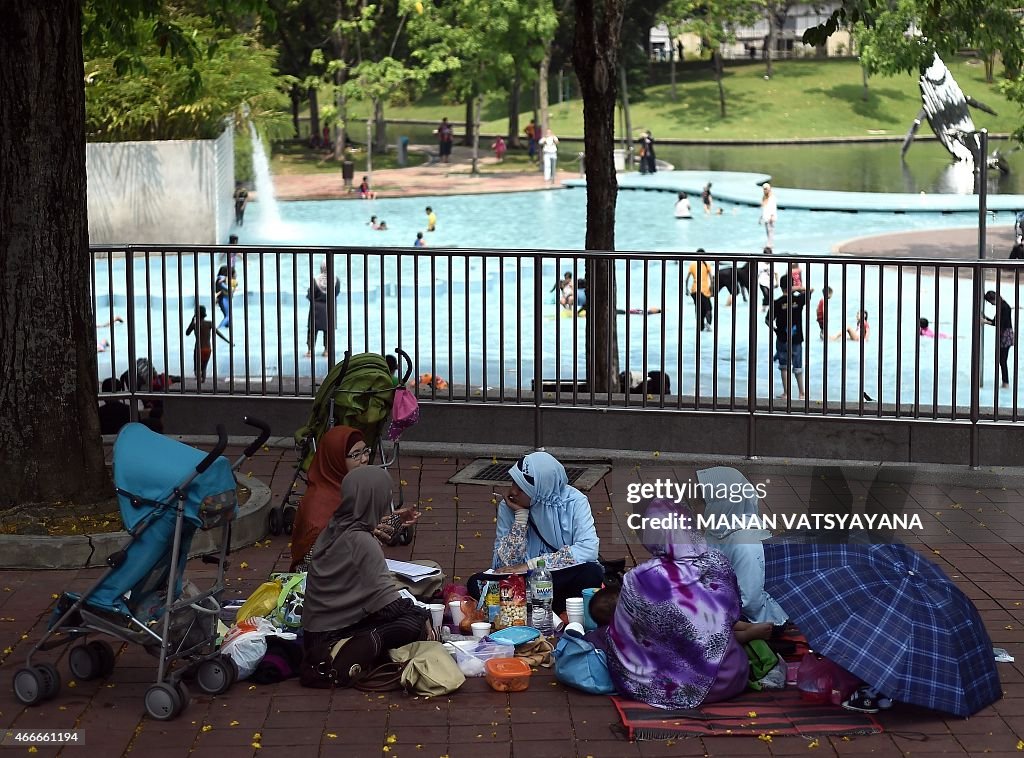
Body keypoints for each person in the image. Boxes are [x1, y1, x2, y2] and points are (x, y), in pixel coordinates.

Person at [606, 499, 764, 709]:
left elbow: (626, 639)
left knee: (610, 637)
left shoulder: (640, 579)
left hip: (677, 689)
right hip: (732, 675)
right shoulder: (719, 561)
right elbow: (733, 614)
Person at [300, 467, 432, 689]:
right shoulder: (361, 541)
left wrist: (394, 523)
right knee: (411, 622)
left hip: (314, 633)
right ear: (375, 500)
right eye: (386, 497)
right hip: (332, 638)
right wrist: (422, 615)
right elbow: (390, 608)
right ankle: (356, 653)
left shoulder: (335, 526)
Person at [469, 452, 603, 614]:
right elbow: (502, 565)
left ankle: (526, 609)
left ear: (539, 489)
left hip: (558, 578)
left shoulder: (575, 502)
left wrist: (531, 565)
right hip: (524, 582)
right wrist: (520, 516)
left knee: (591, 573)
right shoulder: (509, 506)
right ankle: (539, 610)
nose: (513, 492)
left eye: (521, 488)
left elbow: (588, 549)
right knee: (476, 582)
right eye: (513, 483)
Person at [696, 466, 789, 626]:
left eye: (702, 502)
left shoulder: (745, 543)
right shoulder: (718, 529)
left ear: (722, 503)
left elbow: (750, 601)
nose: (696, 508)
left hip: (756, 619)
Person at [289, 426, 368, 570]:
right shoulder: (317, 504)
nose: (364, 459)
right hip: (322, 583)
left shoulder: (351, 489)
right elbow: (316, 558)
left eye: (365, 451)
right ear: (335, 459)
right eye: (356, 454)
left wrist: (396, 521)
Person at [771, 274, 810, 400]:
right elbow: (809, 290)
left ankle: (786, 394)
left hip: (782, 339)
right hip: (796, 339)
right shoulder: (798, 300)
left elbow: (768, 321)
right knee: (798, 367)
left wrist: (776, 330)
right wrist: (797, 288)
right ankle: (802, 394)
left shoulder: (777, 303)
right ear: (792, 286)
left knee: (784, 367)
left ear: (781, 287)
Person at [185, 305, 230, 383]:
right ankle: (203, 382)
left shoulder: (195, 324)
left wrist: (192, 321)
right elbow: (219, 334)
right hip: (207, 349)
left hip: (198, 349)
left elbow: (187, 333)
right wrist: (228, 342)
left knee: (197, 368)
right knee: (204, 368)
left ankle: (199, 385)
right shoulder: (209, 323)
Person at [306, 262, 340, 357]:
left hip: (316, 308)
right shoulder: (335, 280)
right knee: (328, 330)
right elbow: (336, 292)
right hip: (329, 307)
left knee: (312, 330)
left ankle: (310, 350)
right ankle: (327, 350)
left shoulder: (315, 280)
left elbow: (310, 294)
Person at [983, 290, 1015, 388]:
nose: (991, 304)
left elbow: (997, 323)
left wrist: (984, 321)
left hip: (1006, 335)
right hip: (1006, 334)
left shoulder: (1004, 308)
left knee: (1003, 360)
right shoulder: (1003, 305)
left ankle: (1006, 383)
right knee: (1002, 360)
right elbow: (995, 321)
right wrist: (985, 319)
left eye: (990, 302)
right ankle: (1005, 382)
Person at [686, 252, 714, 331]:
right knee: (708, 308)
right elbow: (711, 279)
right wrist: (711, 291)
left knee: (698, 308)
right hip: (704, 290)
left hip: (694, 290)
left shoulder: (692, 265)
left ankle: (700, 326)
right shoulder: (706, 264)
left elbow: (687, 279)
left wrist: (686, 289)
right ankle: (708, 325)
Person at [214, 264, 237, 330]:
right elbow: (228, 288)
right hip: (224, 300)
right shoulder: (221, 279)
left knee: (227, 317)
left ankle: (225, 328)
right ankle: (218, 329)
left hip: (224, 299)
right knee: (228, 317)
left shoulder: (223, 280)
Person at [759, 183, 778, 249]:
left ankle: (769, 244)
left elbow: (773, 207)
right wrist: (760, 218)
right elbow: (764, 209)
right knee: (768, 231)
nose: (765, 190)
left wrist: (772, 216)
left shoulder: (772, 198)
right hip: (766, 217)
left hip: (770, 217)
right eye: (764, 189)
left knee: (770, 231)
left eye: (766, 189)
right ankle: (769, 243)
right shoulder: (764, 197)